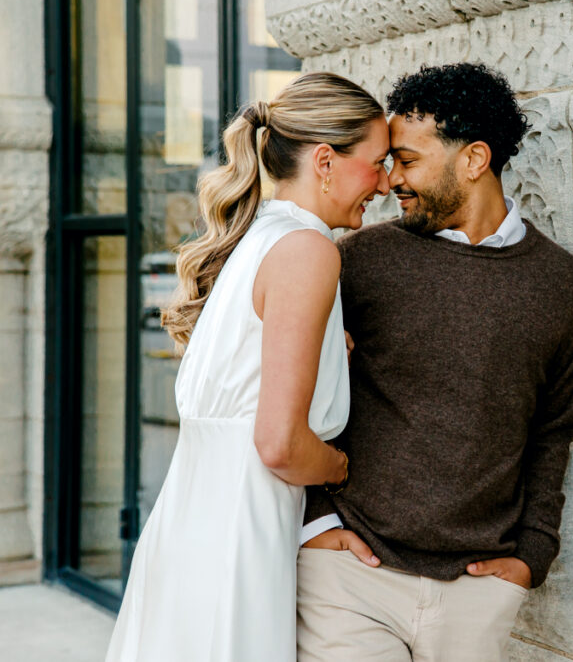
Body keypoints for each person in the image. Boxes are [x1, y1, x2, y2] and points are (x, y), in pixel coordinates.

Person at [296, 63, 573, 661]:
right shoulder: (356, 261)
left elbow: (553, 427)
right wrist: (319, 522)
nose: (389, 182)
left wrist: (533, 554)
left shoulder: (559, 282)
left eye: (406, 161)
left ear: (474, 160)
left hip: (477, 590)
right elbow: (287, 393)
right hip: (351, 574)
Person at [105, 72, 390, 662]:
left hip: (188, 527)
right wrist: (340, 469)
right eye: (377, 162)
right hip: (240, 536)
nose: (385, 183)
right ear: (325, 161)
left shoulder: (257, 239)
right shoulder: (308, 252)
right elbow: (280, 444)